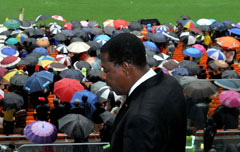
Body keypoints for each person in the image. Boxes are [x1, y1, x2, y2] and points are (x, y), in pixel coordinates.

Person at [100, 33, 187, 152]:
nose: (103, 76)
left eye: (106, 70)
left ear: (125, 67)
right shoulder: (170, 83)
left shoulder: (139, 118)